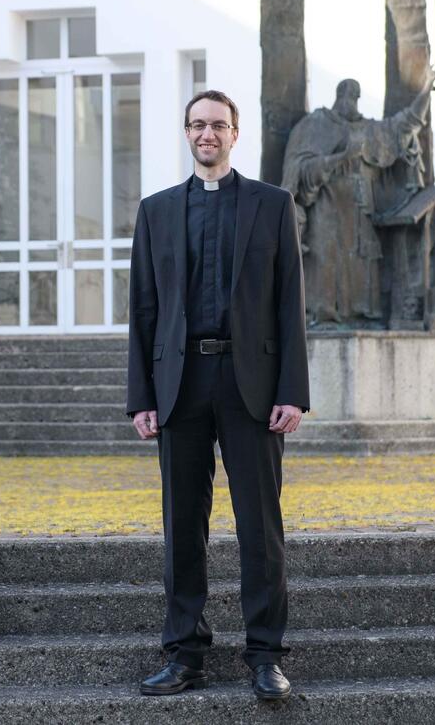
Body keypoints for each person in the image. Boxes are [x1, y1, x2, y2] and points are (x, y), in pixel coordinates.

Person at [127, 89, 310, 701]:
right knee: (183, 524)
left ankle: (266, 655)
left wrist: (294, 392)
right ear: (187, 134)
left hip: (251, 385)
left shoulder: (271, 205)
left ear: (236, 134)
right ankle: (185, 653)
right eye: (197, 125)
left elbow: (290, 304)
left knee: (261, 525)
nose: (208, 134)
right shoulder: (155, 211)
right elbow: (144, 311)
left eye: (218, 125)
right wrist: (140, 397)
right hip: (179, 385)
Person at [280, 69, 435, 325]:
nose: (351, 101)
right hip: (326, 210)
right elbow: (300, 169)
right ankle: (324, 317)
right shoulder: (317, 124)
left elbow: (405, 125)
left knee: (363, 265)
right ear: (339, 95)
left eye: (356, 96)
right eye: (348, 94)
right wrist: (341, 157)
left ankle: (361, 317)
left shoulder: (368, 129)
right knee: (327, 265)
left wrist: (427, 87)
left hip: (362, 210)